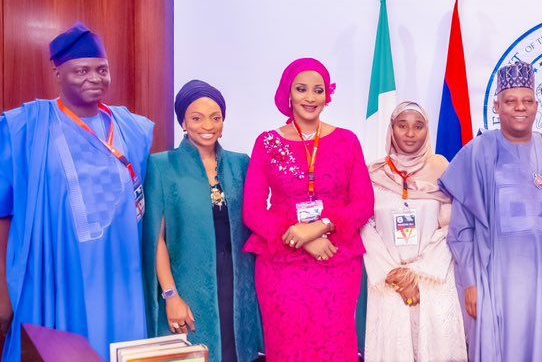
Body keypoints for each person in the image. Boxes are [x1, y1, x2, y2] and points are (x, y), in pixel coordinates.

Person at [0, 22, 153, 359]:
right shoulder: (23, 128)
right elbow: (3, 213)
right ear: (57, 72)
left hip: (120, 280)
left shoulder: (134, 129)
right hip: (53, 277)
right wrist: (2, 291)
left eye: (102, 69)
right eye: (81, 70)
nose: (94, 78)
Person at [441, 61, 542, 361]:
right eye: (510, 101)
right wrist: (471, 281)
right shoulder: (478, 152)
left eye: (527, 101)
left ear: (536, 105)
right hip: (497, 281)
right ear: (497, 106)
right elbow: (462, 228)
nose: (520, 108)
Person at [242, 58, 374, 361]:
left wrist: (320, 227)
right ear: (288, 94)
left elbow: (363, 203)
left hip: (336, 259)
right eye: (302, 89)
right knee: (287, 346)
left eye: (318, 90)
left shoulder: (347, 141)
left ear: (327, 95)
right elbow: (252, 210)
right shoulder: (267, 143)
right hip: (282, 266)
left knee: (335, 344)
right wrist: (298, 237)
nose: (310, 98)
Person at [142, 80, 262, 362]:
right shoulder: (161, 166)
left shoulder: (241, 164)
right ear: (183, 122)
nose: (207, 125)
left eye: (215, 117)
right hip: (188, 287)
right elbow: (155, 239)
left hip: (237, 287)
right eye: (196, 118)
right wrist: (171, 295)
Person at [360, 101, 467, 362]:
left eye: (418, 127)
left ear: (426, 131)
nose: (410, 133)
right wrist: (393, 273)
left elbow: (452, 227)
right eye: (402, 125)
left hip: (433, 281)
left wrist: (417, 272)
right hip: (389, 283)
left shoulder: (444, 171)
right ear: (391, 129)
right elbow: (364, 225)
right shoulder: (373, 174)